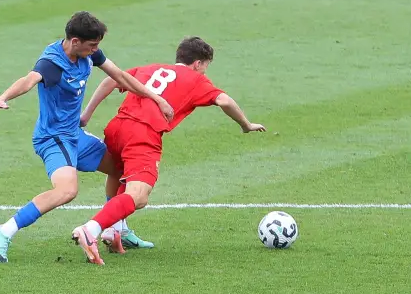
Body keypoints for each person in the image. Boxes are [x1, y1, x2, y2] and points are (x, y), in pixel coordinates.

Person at [0, 11, 175, 263]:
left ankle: (117, 229)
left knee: (121, 167)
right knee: (67, 191)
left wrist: (156, 98)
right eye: (92, 45)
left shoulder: (89, 55)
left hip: (74, 135)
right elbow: (29, 81)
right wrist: (1, 98)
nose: (96, 50)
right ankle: (4, 232)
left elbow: (121, 76)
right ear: (74, 42)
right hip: (53, 138)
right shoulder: (52, 63)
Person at [69, 37, 266, 265]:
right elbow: (224, 101)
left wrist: (86, 115)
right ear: (198, 64)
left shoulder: (150, 68)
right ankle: (90, 230)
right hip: (143, 134)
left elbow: (111, 81)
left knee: (119, 172)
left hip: (117, 127)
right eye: (205, 67)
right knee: (139, 196)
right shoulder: (196, 80)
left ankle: (114, 231)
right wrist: (246, 125)